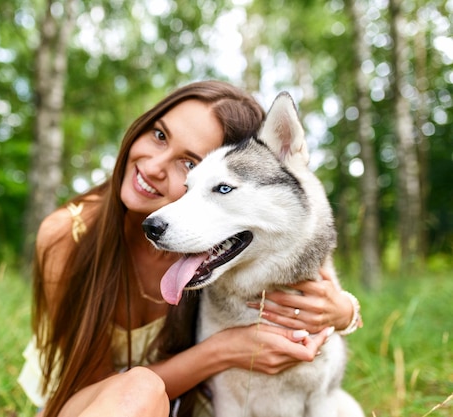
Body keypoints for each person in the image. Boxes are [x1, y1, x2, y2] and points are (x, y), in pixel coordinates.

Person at [19, 80, 363, 417]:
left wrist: (344, 311)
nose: (152, 167)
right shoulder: (68, 234)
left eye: (189, 163)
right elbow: (97, 388)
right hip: (87, 403)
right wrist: (222, 351)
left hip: (184, 403)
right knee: (139, 390)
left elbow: (305, 262)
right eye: (159, 135)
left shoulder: (224, 251)